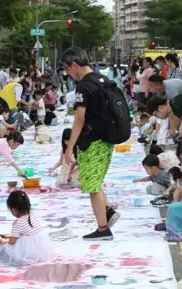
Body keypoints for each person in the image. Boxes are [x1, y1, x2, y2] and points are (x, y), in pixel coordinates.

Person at [61, 47, 121, 241]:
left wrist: (70, 148)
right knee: (94, 180)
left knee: (92, 187)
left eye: (67, 69)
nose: (68, 73)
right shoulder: (102, 79)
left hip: (93, 141)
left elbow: (79, 119)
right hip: (106, 139)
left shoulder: (84, 86)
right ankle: (108, 212)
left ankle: (103, 229)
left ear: (74, 65)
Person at [0, 191, 54, 265]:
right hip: (41, 248)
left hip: (28, 252)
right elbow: (28, 232)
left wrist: (6, 243)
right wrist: (9, 237)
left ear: (14, 210)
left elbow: (12, 242)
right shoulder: (32, 215)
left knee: (3, 252)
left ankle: (4, 245)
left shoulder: (18, 223)